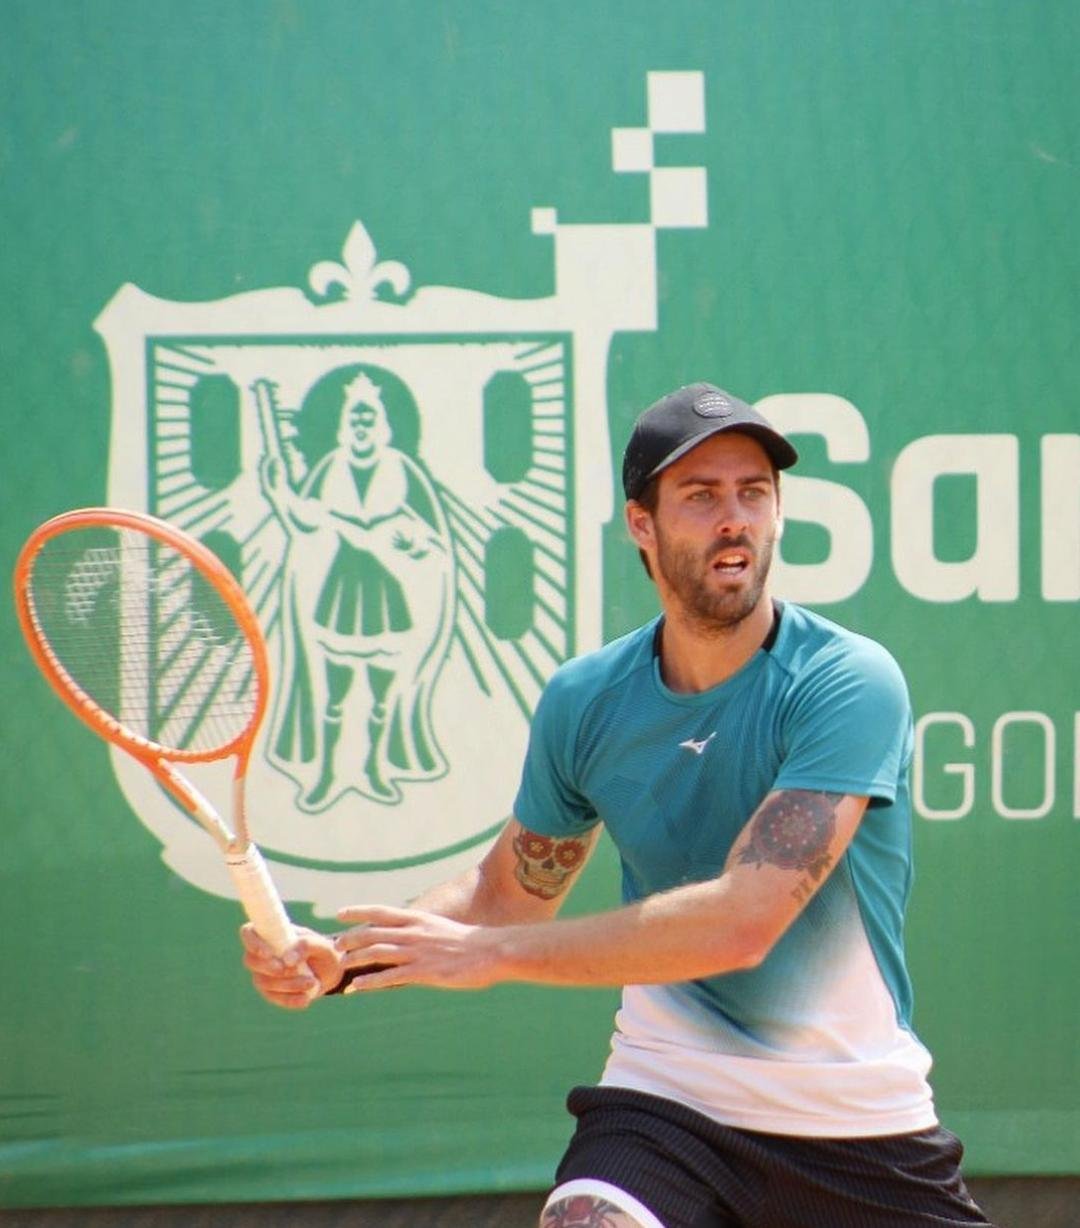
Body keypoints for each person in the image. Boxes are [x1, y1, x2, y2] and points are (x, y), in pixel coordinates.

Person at [242, 382, 995, 1227]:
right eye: (701, 496)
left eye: (754, 493)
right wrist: (345, 959)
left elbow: (742, 923)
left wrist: (493, 954)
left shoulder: (846, 683)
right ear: (643, 524)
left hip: (858, 1129)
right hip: (666, 1108)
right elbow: (507, 895)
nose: (735, 518)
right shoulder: (588, 700)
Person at [261, 369, 454, 809]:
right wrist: (278, 494)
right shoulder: (332, 468)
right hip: (342, 591)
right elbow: (303, 521)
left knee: (381, 694)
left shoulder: (401, 469)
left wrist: (410, 539)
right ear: (346, 425)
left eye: (369, 417)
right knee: (335, 691)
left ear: (382, 423)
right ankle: (327, 774)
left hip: (384, 593)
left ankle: (373, 768)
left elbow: (430, 539)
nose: (362, 425)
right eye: (355, 418)